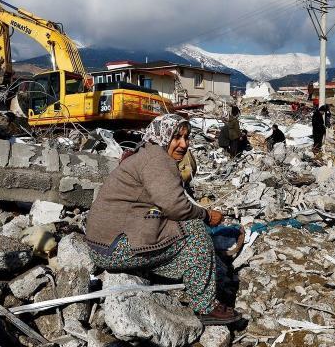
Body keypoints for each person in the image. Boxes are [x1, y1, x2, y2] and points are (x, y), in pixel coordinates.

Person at [85, 114, 241, 325]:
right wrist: (206, 215)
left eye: (187, 138)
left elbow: (163, 203)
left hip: (102, 244)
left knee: (171, 225)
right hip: (113, 248)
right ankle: (204, 306)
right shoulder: (157, 161)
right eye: (177, 137)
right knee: (193, 229)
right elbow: (176, 207)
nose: (183, 144)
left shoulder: (146, 153)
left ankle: (168, 272)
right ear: (163, 136)